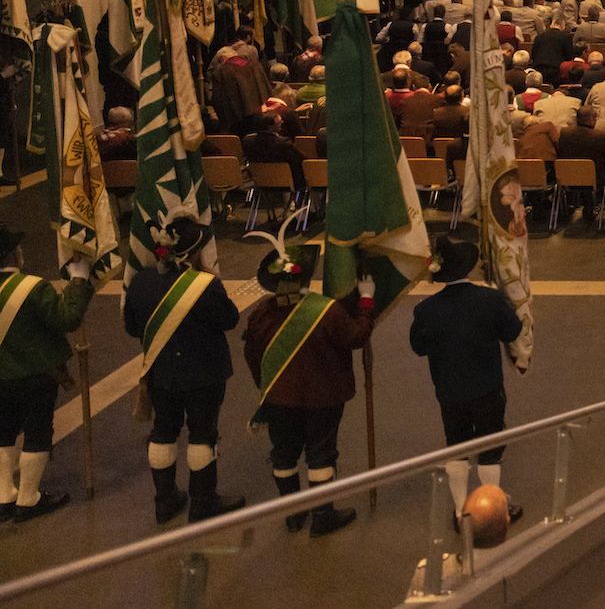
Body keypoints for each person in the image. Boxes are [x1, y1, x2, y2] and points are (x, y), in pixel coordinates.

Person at [243, 235, 377, 536]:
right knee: (321, 454)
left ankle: (293, 515)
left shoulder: (260, 314)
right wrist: (366, 300)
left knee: (284, 454)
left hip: (278, 399)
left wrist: (267, 388)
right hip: (324, 397)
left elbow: (252, 356)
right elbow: (356, 336)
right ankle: (322, 515)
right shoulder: (325, 310)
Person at [123, 216, 244, 523]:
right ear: (193, 252)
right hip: (204, 374)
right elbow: (230, 319)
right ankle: (203, 502)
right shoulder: (205, 284)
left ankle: (165, 502)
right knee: (202, 433)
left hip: (161, 373)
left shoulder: (140, 282)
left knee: (163, 431)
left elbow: (131, 327)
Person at [410, 237, 526, 523]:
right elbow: (512, 332)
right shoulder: (489, 300)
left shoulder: (425, 310)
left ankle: (462, 511)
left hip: (449, 393)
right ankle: (492, 507)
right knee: (490, 448)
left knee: (457, 447)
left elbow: (418, 348)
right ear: (468, 269)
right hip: (487, 389)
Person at [0, 223, 95, 521]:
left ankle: (4, 496)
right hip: (37, 377)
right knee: (38, 434)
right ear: (14, 255)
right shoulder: (32, 287)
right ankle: (28, 499)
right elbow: (67, 318)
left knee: (3, 434)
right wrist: (79, 282)